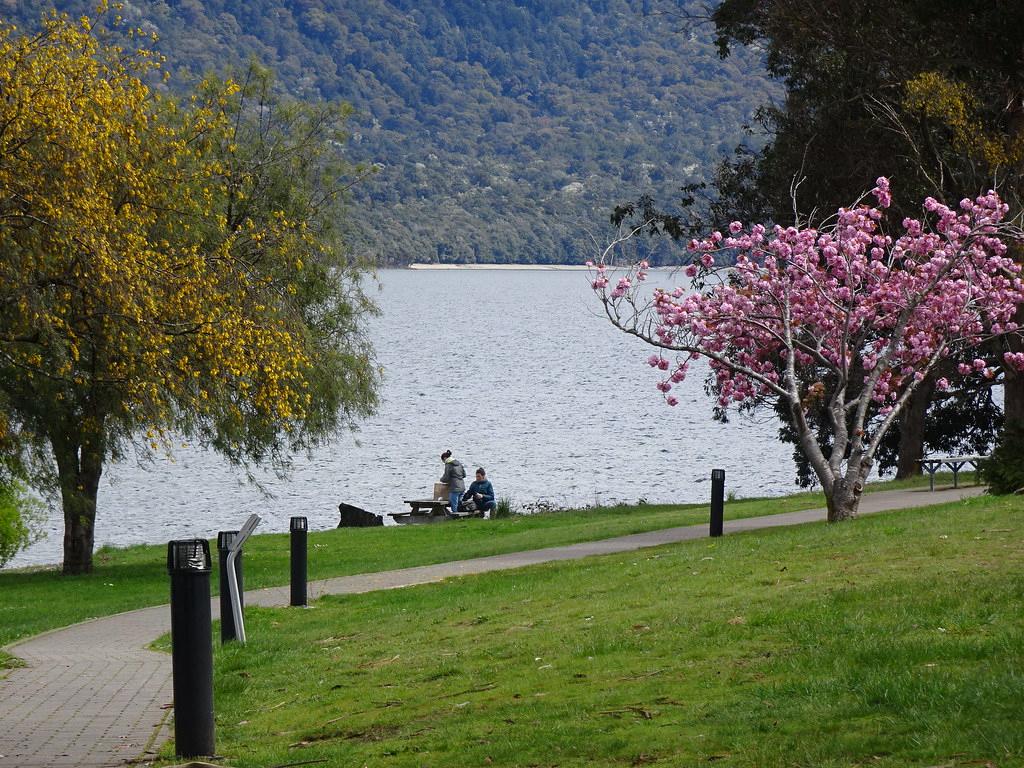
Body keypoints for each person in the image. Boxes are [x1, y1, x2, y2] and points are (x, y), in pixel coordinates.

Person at [439, 450, 466, 516]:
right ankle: (462, 518)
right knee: (460, 504)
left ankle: (455, 518)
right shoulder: (459, 463)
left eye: (443, 461)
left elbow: (446, 478)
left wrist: (441, 479)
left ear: (445, 458)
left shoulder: (448, 465)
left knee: (454, 506)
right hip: (462, 487)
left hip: (454, 488)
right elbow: (464, 475)